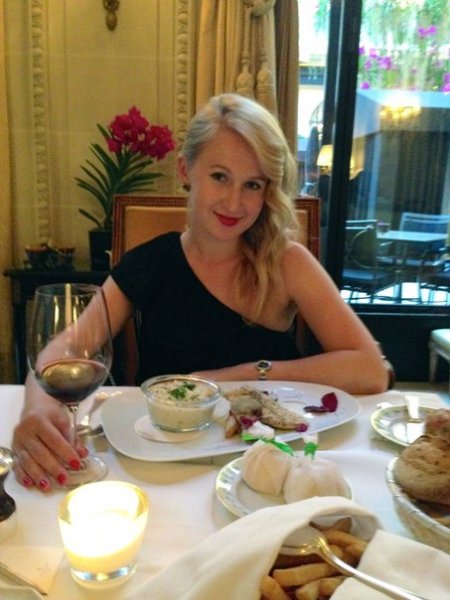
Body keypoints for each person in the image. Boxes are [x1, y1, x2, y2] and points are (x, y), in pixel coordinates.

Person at [12, 93, 388, 491]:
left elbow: (370, 370)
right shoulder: (149, 262)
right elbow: (70, 346)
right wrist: (37, 406)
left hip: (265, 472)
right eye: (220, 176)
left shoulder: (286, 262)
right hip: (161, 469)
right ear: (185, 170)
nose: (234, 202)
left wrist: (245, 374)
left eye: (252, 184)